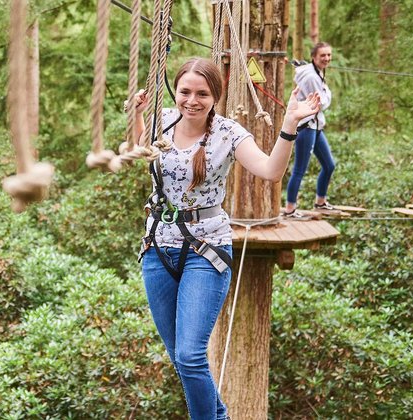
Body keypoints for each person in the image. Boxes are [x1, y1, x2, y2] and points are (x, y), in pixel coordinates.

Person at [127, 57, 320, 420]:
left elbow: (270, 171)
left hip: (205, 249)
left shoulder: (229, 134)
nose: (192, 101)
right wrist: (139, 114)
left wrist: (290, 125)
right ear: (176, 91)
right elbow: (144, 146)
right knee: (180, 359)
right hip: (157, 247)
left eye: (202, 93)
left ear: (216, 95)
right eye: (185, 91)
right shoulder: (163, 120)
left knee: (190, 355)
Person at [284, 42, 335, 217]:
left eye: (329, 55)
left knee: (329, 165)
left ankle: (320, 202)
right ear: (314, 57)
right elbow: (321, 103)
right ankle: (290, 209)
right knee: (300, 169)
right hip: (307, 127)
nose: (327, 58)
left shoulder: (315, 72)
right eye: (323, 55)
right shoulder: (312, 77)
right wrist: (328, 94)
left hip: (316, 126)